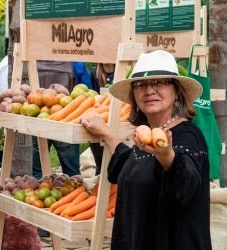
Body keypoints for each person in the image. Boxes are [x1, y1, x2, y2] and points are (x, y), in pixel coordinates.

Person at [81, 50, 211, 249]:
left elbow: (184, 185)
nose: (149, 90)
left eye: (159, 83)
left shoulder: (188, 137)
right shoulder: (148, 135)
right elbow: (132, 166)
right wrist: (106, 134)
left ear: (176, 92)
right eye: (140, 85)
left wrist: (165, 154)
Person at [32, 60, 80, 180]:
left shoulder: (32, 61)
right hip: (66, 117)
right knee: (72, 174)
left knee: (38, 173)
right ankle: (75, 193)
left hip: (39, 115)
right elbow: (86, 90)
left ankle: (38, 193)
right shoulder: (75, 61)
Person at [89, 63, 116, 174]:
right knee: (100, 163)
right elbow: (89, 96)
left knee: (113, 162)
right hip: (97, 119)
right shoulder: (93, 73)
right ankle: (99, 187)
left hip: (115, 121)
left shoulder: (121, 72)